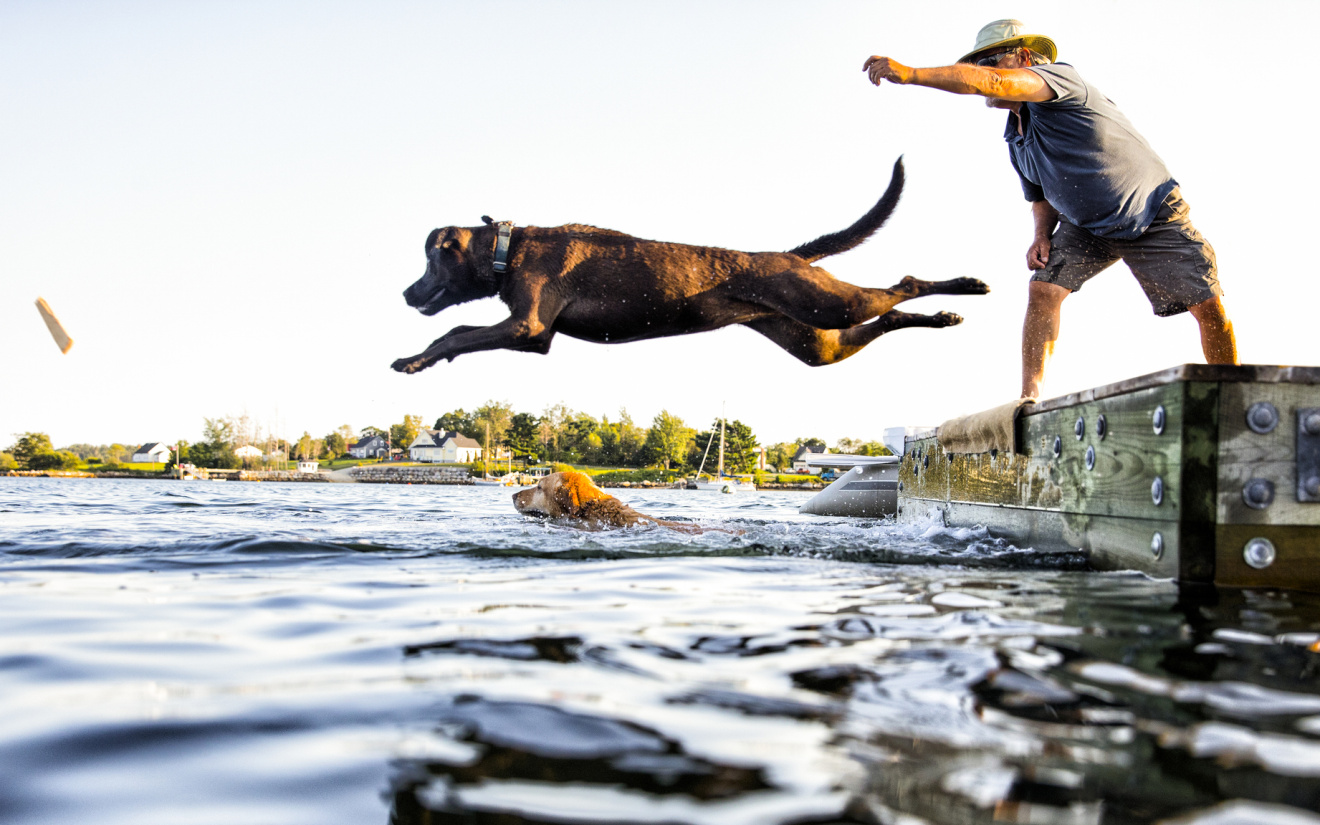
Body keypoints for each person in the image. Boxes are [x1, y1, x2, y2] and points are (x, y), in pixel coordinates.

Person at [862, 20, 1237, 398]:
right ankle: (1030, 399)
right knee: (1042, 290)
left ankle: (1231, 394)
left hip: (1149, 211)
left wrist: (910, 74)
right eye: (977, 63)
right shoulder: (1015, 134)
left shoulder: (1058, 81)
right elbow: (1040, 194)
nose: (981, 71)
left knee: (1207, 305)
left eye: (989, 61)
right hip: (1086, 227)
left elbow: (992, 83)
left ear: (1023, 57)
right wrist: (1041, 235)